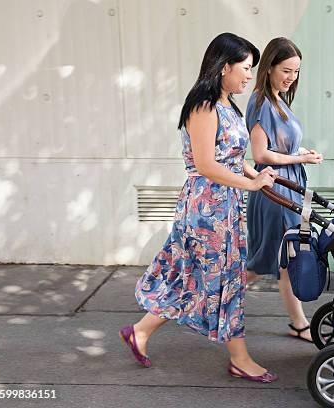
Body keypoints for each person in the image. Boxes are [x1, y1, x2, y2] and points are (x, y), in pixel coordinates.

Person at [119, 33, 279, 383]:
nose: (250, 75)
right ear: (225, 67)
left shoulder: (228, 106)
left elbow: (232, 159)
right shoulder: (204, 106)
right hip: (207, 209)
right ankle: (239, 357)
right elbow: (207, 164)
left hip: (225, 206)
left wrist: (259, 174)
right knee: (221, 279)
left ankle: (140, 332)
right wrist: (251, 184)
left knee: (198, 277)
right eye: (246, 68)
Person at [244, 37, 323, 342]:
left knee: (272, 259)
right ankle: (299, 323)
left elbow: (279, 145)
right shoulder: (262, 103)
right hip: (275, 193)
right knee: (279, 258)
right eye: (287, 70)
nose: (292, 77)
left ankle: (212, 302)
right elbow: (262, 154)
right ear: (269, 68)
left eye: (296, 72)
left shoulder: (277, 101)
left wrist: (302, 151)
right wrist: (301, 157)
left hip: (287, 188)